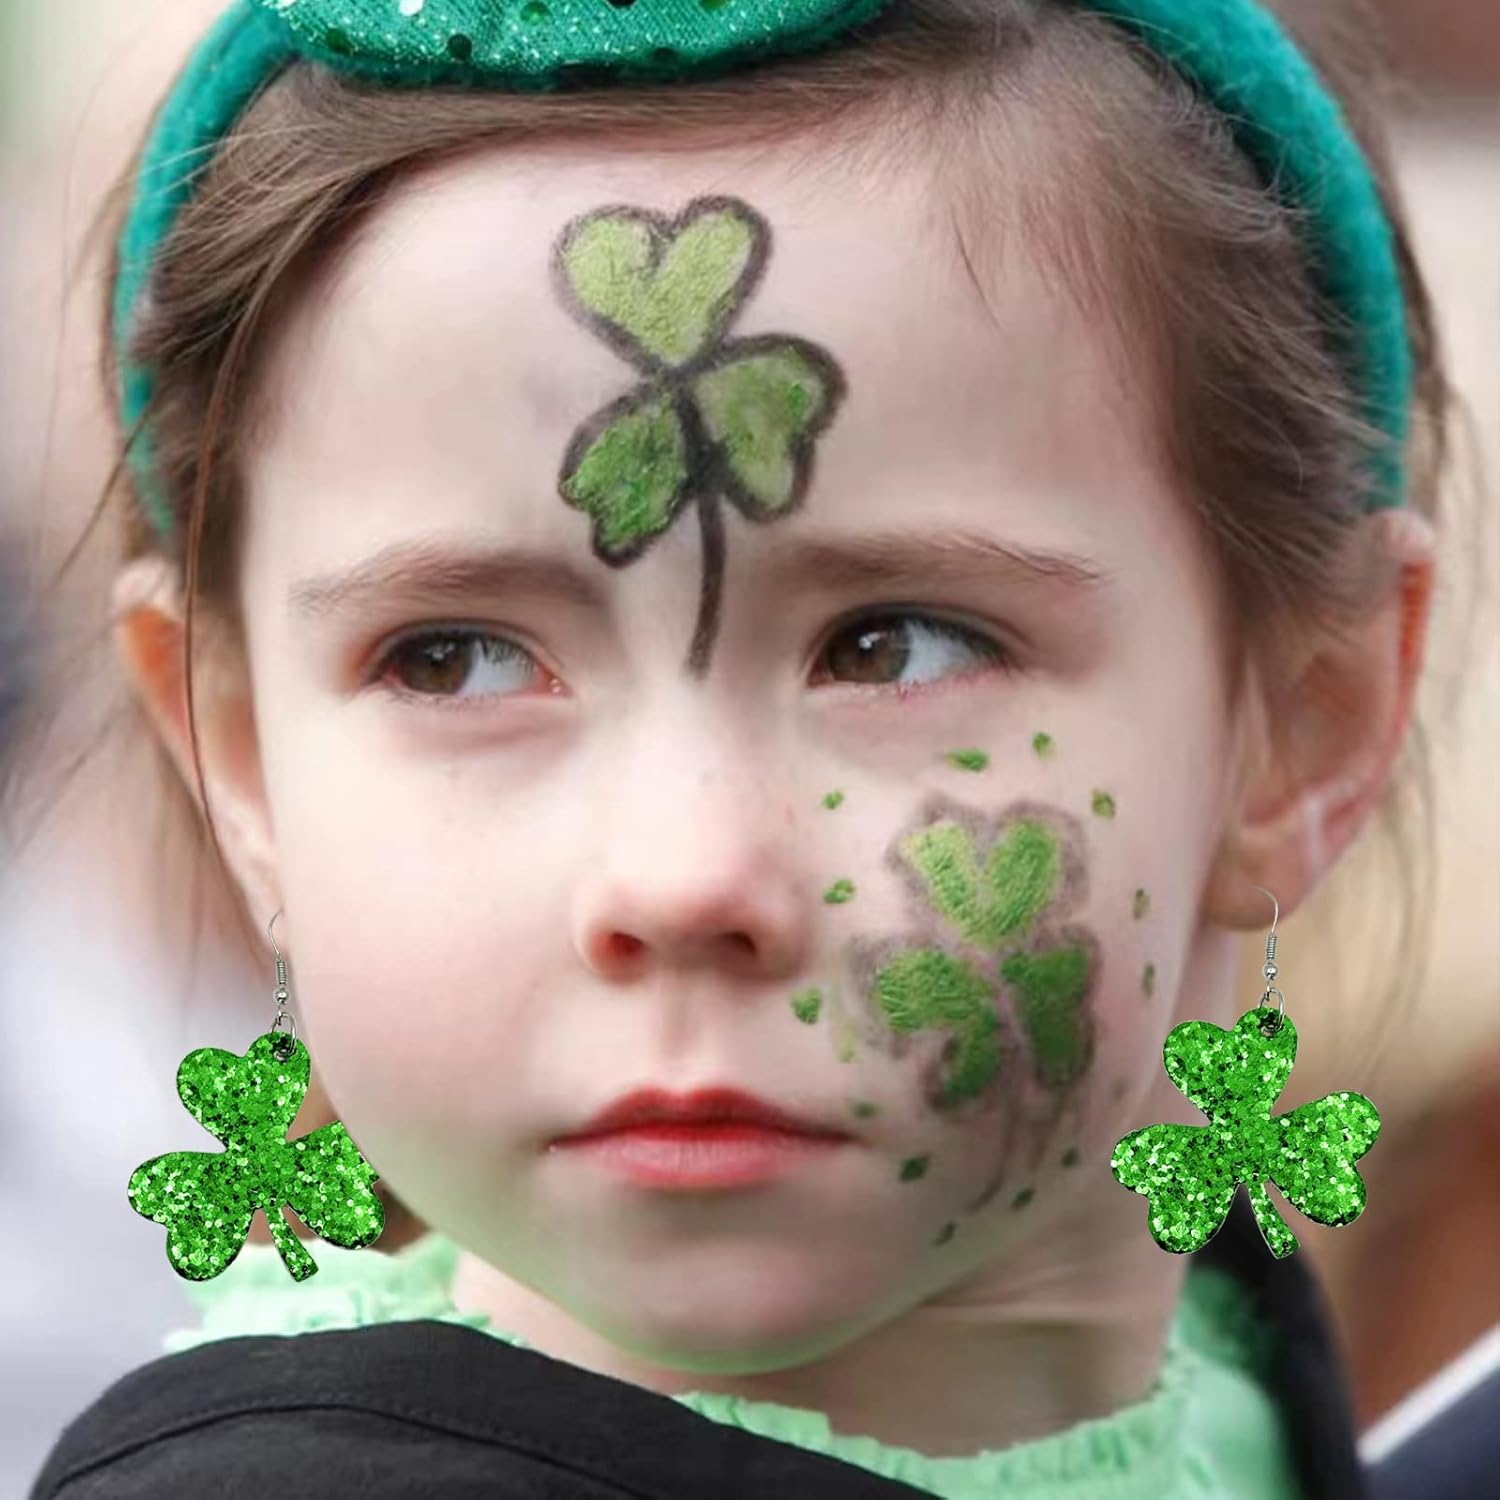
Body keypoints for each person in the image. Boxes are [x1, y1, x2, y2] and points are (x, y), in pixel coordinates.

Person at [25, 0, 1454, 1495]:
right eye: (456, 659)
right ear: (241, 761)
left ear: (1305, 721)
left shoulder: (1265, 1397)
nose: (683, 876)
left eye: (895, 646)